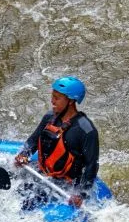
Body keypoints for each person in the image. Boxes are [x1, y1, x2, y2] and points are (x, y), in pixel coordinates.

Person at [14, 76, 99, 208]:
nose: (52, 101)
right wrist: (24, 154)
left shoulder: (86, 130)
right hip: (42, 171)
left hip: (65, 183)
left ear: (70, 101)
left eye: (57, 98)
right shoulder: (49, 117)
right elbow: (33, 141)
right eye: (52, 96)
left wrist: (81, 194)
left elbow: (91, 165)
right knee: (12, 183)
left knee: (26, 203)